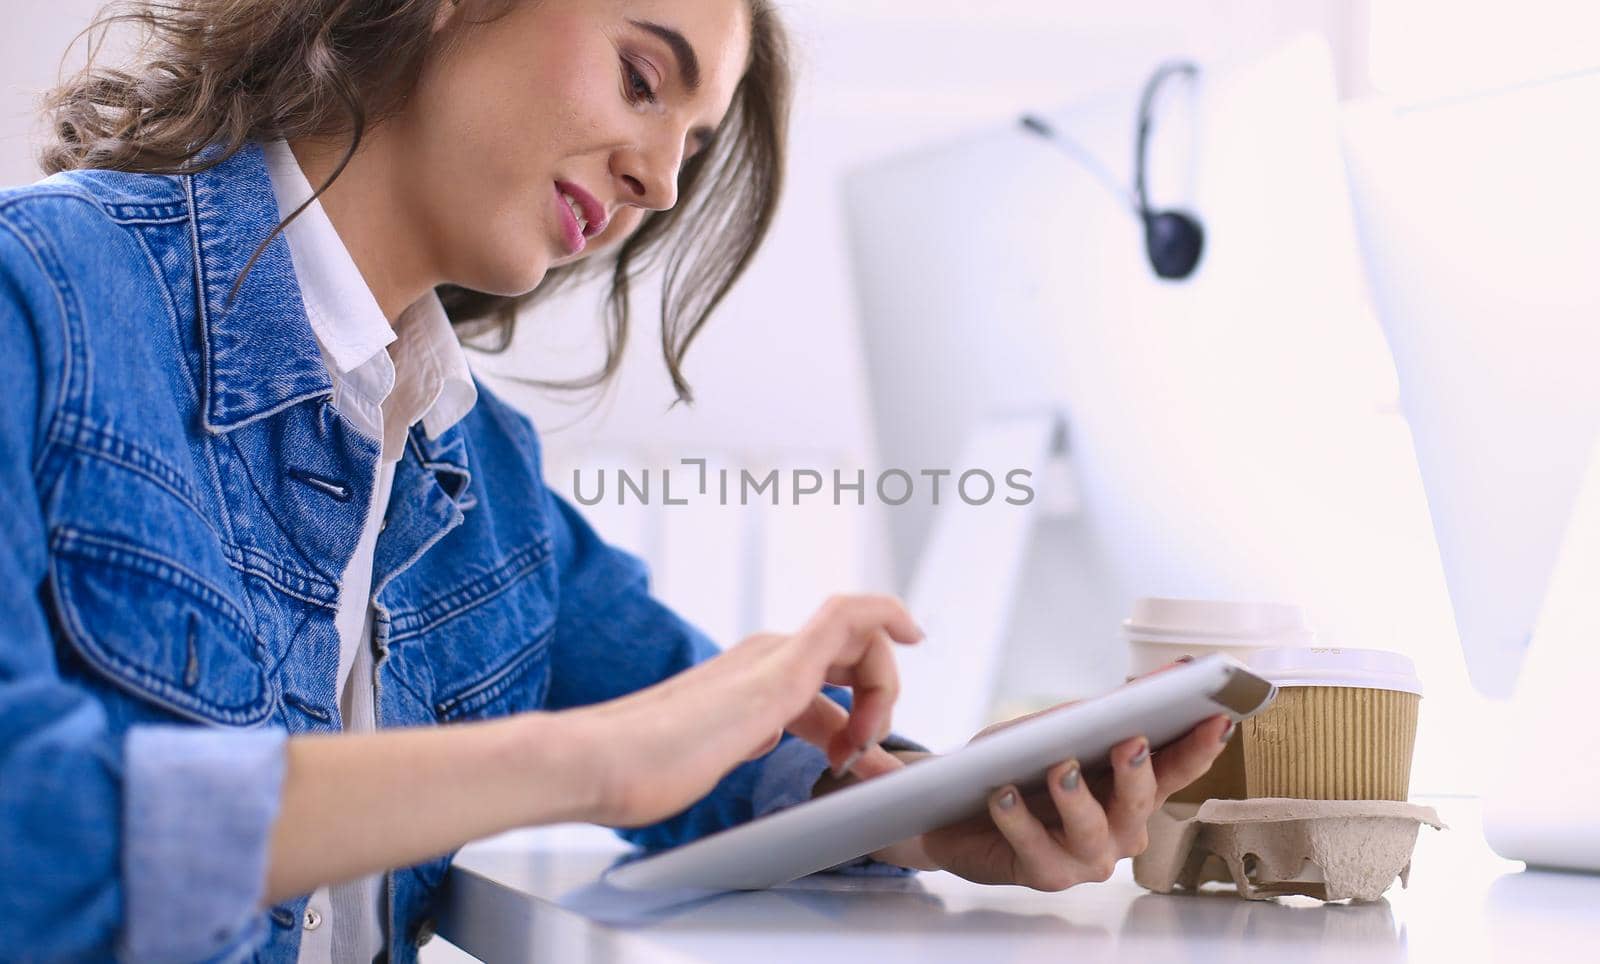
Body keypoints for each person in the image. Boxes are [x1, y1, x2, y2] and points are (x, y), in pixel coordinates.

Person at [0, 1, 1233, 961]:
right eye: (643, 80)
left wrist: (943, 808)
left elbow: (716, 758)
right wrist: (590, 754)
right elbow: (27, 827)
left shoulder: (482, 484)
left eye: (692, 145)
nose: (661, 182)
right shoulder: (39, 300)